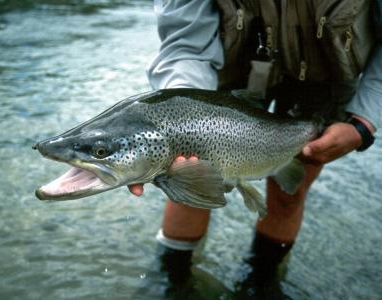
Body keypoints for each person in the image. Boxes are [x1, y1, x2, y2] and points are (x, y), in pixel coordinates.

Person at [129, 0, 381, 297]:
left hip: (324, 74)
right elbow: (186, 44)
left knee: (289, 191)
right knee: (188, 178)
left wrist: (364, 122)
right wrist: (183, 124)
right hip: (227, 62)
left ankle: (260, 282)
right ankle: (171, 280)